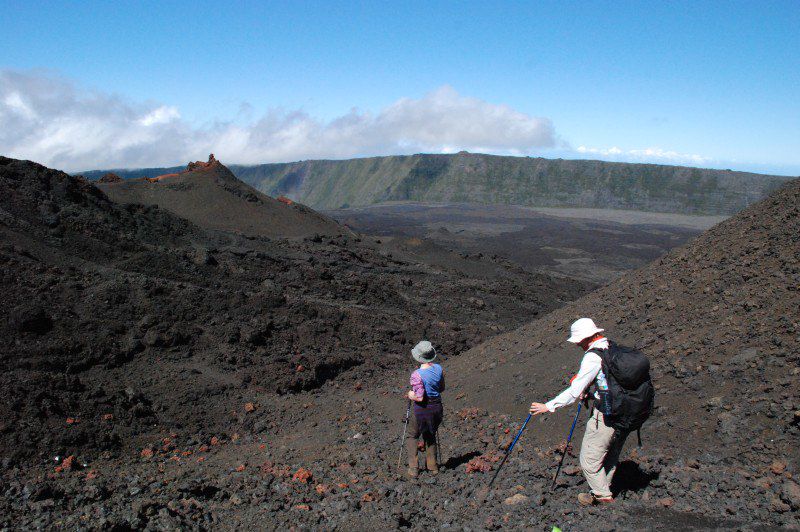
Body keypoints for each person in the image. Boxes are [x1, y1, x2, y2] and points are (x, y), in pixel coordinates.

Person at [529, 318, 630, 506]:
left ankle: (605, 500)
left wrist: (548, 406)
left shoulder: (593, 356)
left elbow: (574, 392)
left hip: (606, 415)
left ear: (585, 338)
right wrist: (592, 393)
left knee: (589, 461)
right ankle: (603, 491)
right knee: (610, 456)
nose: (577, 345)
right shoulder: (611, 347)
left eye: (578, 341)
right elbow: (609, 384)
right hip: (626, 412)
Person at [404, 340, 445, 478]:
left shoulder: (417, 375)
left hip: (422, 409)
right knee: (430, 435)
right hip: (436, 407)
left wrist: (411, 395)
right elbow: (441, 388)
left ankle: (414, 468)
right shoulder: (439, 368)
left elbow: (420, 397)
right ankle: (433, 467)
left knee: (412, 435)